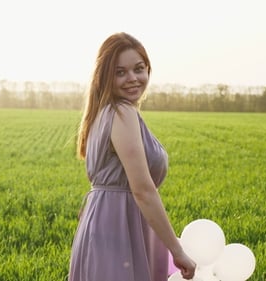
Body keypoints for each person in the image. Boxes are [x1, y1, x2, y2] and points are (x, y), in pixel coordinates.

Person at [68, 32, 196, 281]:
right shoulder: (121, 113)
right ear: (105, 77)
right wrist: (177, 251)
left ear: (148, 69)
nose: (133, 79)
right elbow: (143, 190)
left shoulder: (103, 113)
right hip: (120, 230)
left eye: (139, 69)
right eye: (120, 72)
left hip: (109, 225)